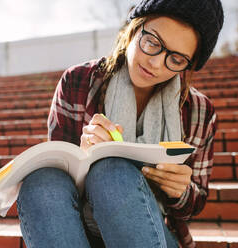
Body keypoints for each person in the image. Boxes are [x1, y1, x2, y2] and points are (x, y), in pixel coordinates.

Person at [17, 0, 224, 247]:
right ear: (134, 29)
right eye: (152, 43)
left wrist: (180, 190)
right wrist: (81, 157)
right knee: (41, 182)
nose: (156, 63)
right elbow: (58, 186)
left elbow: (194, 203)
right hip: (76, 229)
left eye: (177, 60)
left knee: (112, 174)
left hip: (151, 230)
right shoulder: (78, 82)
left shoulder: (199, 112)